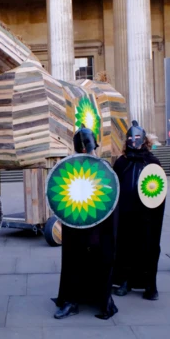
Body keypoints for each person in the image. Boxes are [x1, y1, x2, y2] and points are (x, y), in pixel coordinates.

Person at [53, 128, 119, 320]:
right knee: (74, 261)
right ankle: (71, 301)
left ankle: (101, 299)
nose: (86, 150)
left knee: (100, 261)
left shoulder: (103, 167)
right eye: (82, 147)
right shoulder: (70, 168)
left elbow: (110, 198)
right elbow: (62, 194)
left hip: (99, 226)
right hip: (76, 225)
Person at [112, 121, 165, 301]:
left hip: (147, 215)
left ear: (144, 140)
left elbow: (159, 189)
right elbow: (114, 186)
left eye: (137, 137)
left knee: (148, 248)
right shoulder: (121, 162)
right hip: (126, 213)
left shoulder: (152, 161)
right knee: (126, 247)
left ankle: (150, 285)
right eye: (130, 138)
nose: (133, 141)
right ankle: (125, 281)